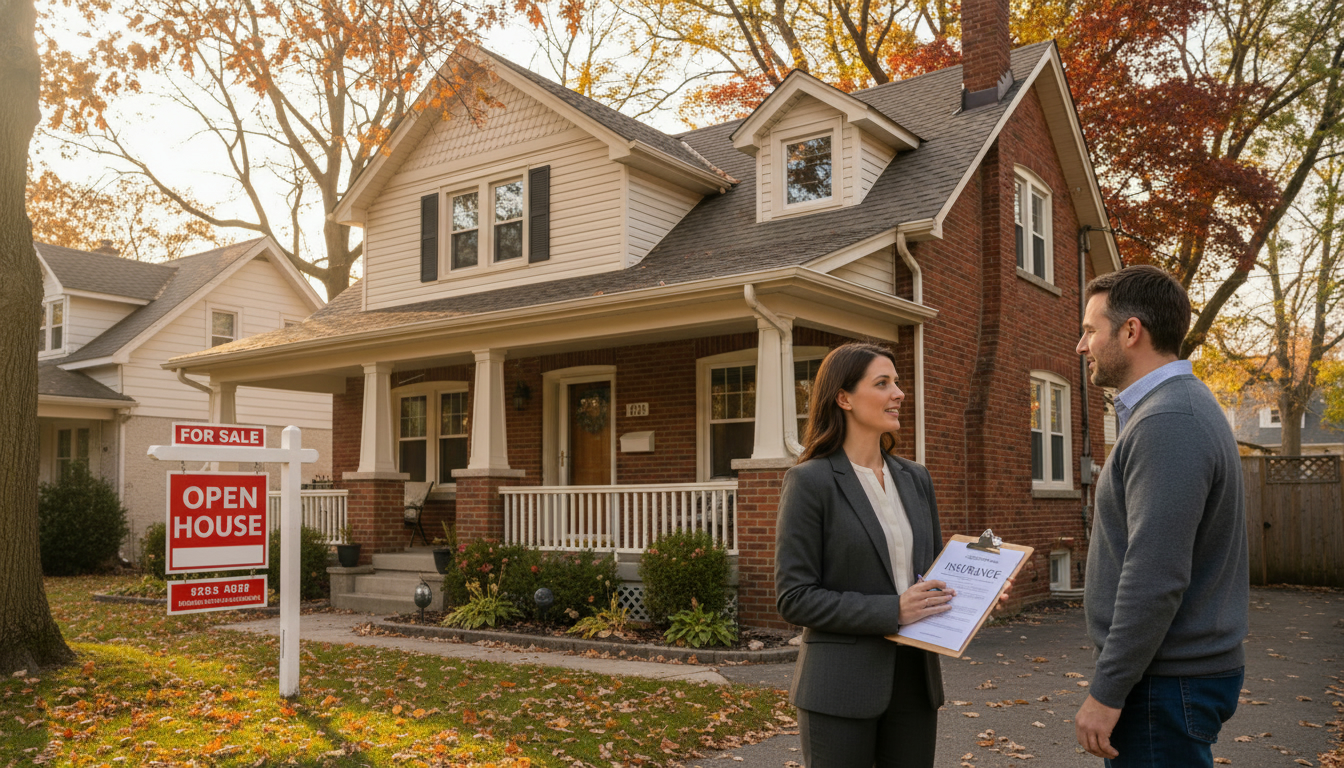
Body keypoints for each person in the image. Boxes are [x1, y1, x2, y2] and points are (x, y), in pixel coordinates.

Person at [776, 342, 1008, 767]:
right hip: (839, 690)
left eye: (897, 383)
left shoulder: (915, 478)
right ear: (843, 398)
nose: (898, 393)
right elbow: (795, 597)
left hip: (915, 687)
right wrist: (894, 609)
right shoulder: (810, 482)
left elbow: (931, 576)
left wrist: (979, 592)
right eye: (882, 383)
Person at [1074, 265, 1249, 767]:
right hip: (1165, 678)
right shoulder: (1169, 410)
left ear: (1131, 332)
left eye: (1090, 330)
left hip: (1164, 684)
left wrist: (1106, 693)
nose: (1081, 345)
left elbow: (1156, 574)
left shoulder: (1168, 420)